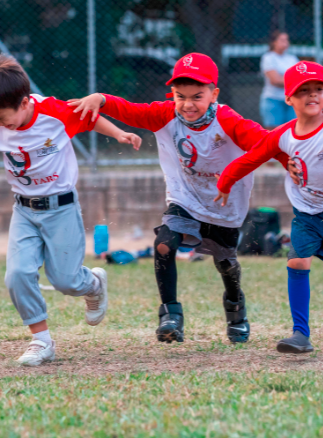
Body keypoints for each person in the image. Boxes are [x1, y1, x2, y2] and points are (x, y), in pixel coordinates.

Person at [68, 52, 286, 344]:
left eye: (197, 96)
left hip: (225, 204)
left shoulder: (228, 120)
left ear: (214, 93)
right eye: (180, 96)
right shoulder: (165, 114)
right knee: (163, 244)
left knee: (226, 263)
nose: (188, 104)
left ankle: (236, 309)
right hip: (185, 199)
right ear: (172, 94)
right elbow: (132, 111)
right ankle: (170, 315)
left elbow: (264, 142)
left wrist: (289, 162)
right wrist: (102, 99)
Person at [0, 53, 142, 367]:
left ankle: (94, 284)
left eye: (3, 118)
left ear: (23, 104)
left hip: (60, 209)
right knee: (17, 274)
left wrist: (118, 134)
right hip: (23, 211)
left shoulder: (54, 112)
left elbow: (89, 117)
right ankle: (41, 341)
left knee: (65, 281)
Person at [214, 61, 323, 353]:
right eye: (303, 91)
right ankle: (300, 334)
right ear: (288, 98)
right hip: (307, 212)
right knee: (297, 261)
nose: (311, 95)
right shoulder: (283, 135)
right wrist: (225, 181)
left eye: (318, 89)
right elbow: (252, 157)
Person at [259, 30, 299, 128]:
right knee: (274, 133)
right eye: (282, 40)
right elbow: (275, 80)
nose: (285, 42)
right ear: (274, 42)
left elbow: (300, 77)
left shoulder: (292, 59)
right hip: (273, 100)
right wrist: (294, 80)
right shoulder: (268, 58)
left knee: (293, 132)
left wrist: (286, 79)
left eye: (287, 40)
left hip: (291, 101)